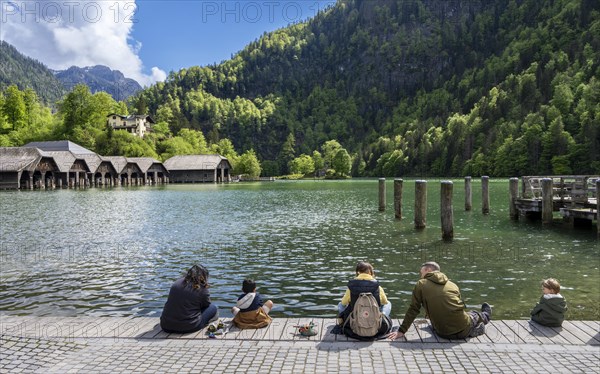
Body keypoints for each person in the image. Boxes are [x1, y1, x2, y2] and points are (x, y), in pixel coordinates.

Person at [389, 261, 491, 340]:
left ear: (428, 270)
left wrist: (401, 331)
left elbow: (413, 309)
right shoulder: (453, 285)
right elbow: (457, 307)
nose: (420, 276)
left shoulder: (421, 284)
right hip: (463, 329)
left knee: (473, 314)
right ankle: (484, 317)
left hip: (442, 333)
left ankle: (486, 315)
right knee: (473, 314)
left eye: (422, 272)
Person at [337, 261, 393, 339]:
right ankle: (381, 320)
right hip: (374, 321)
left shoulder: (351, 287)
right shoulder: (377, 287)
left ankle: (343, 321)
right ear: (370, 273)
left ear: (357, 272)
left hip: (356, 322)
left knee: (340, 305)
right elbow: (384, 302)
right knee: (388, 304)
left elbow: (343, 303)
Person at [160, 264, 219, 333]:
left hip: (166, 326)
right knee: (213, 307)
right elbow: (206, 305)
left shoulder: (176, 283)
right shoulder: (202, 288)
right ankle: (207, 321)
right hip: (189, 327)